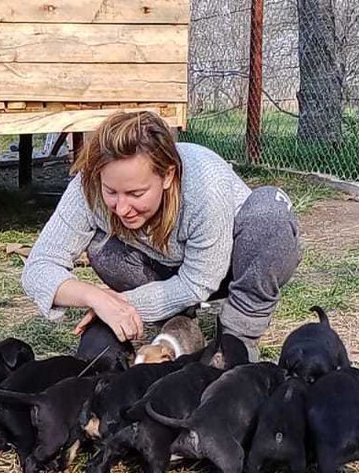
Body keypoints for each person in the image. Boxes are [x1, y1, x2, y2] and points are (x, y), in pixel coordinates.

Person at [22, 110, 302, 358]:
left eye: (136, 193)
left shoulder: (205, 182)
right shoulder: (89, 185)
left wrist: (126, 304)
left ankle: (239, 337)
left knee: (270, 213)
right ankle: (177, 321)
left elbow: (199, 282)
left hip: (229, 264)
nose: (121, 208)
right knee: (102, 249)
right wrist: (98, 299)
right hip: (161, 265)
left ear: (168, 176)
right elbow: (38, 267)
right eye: (111, 192)